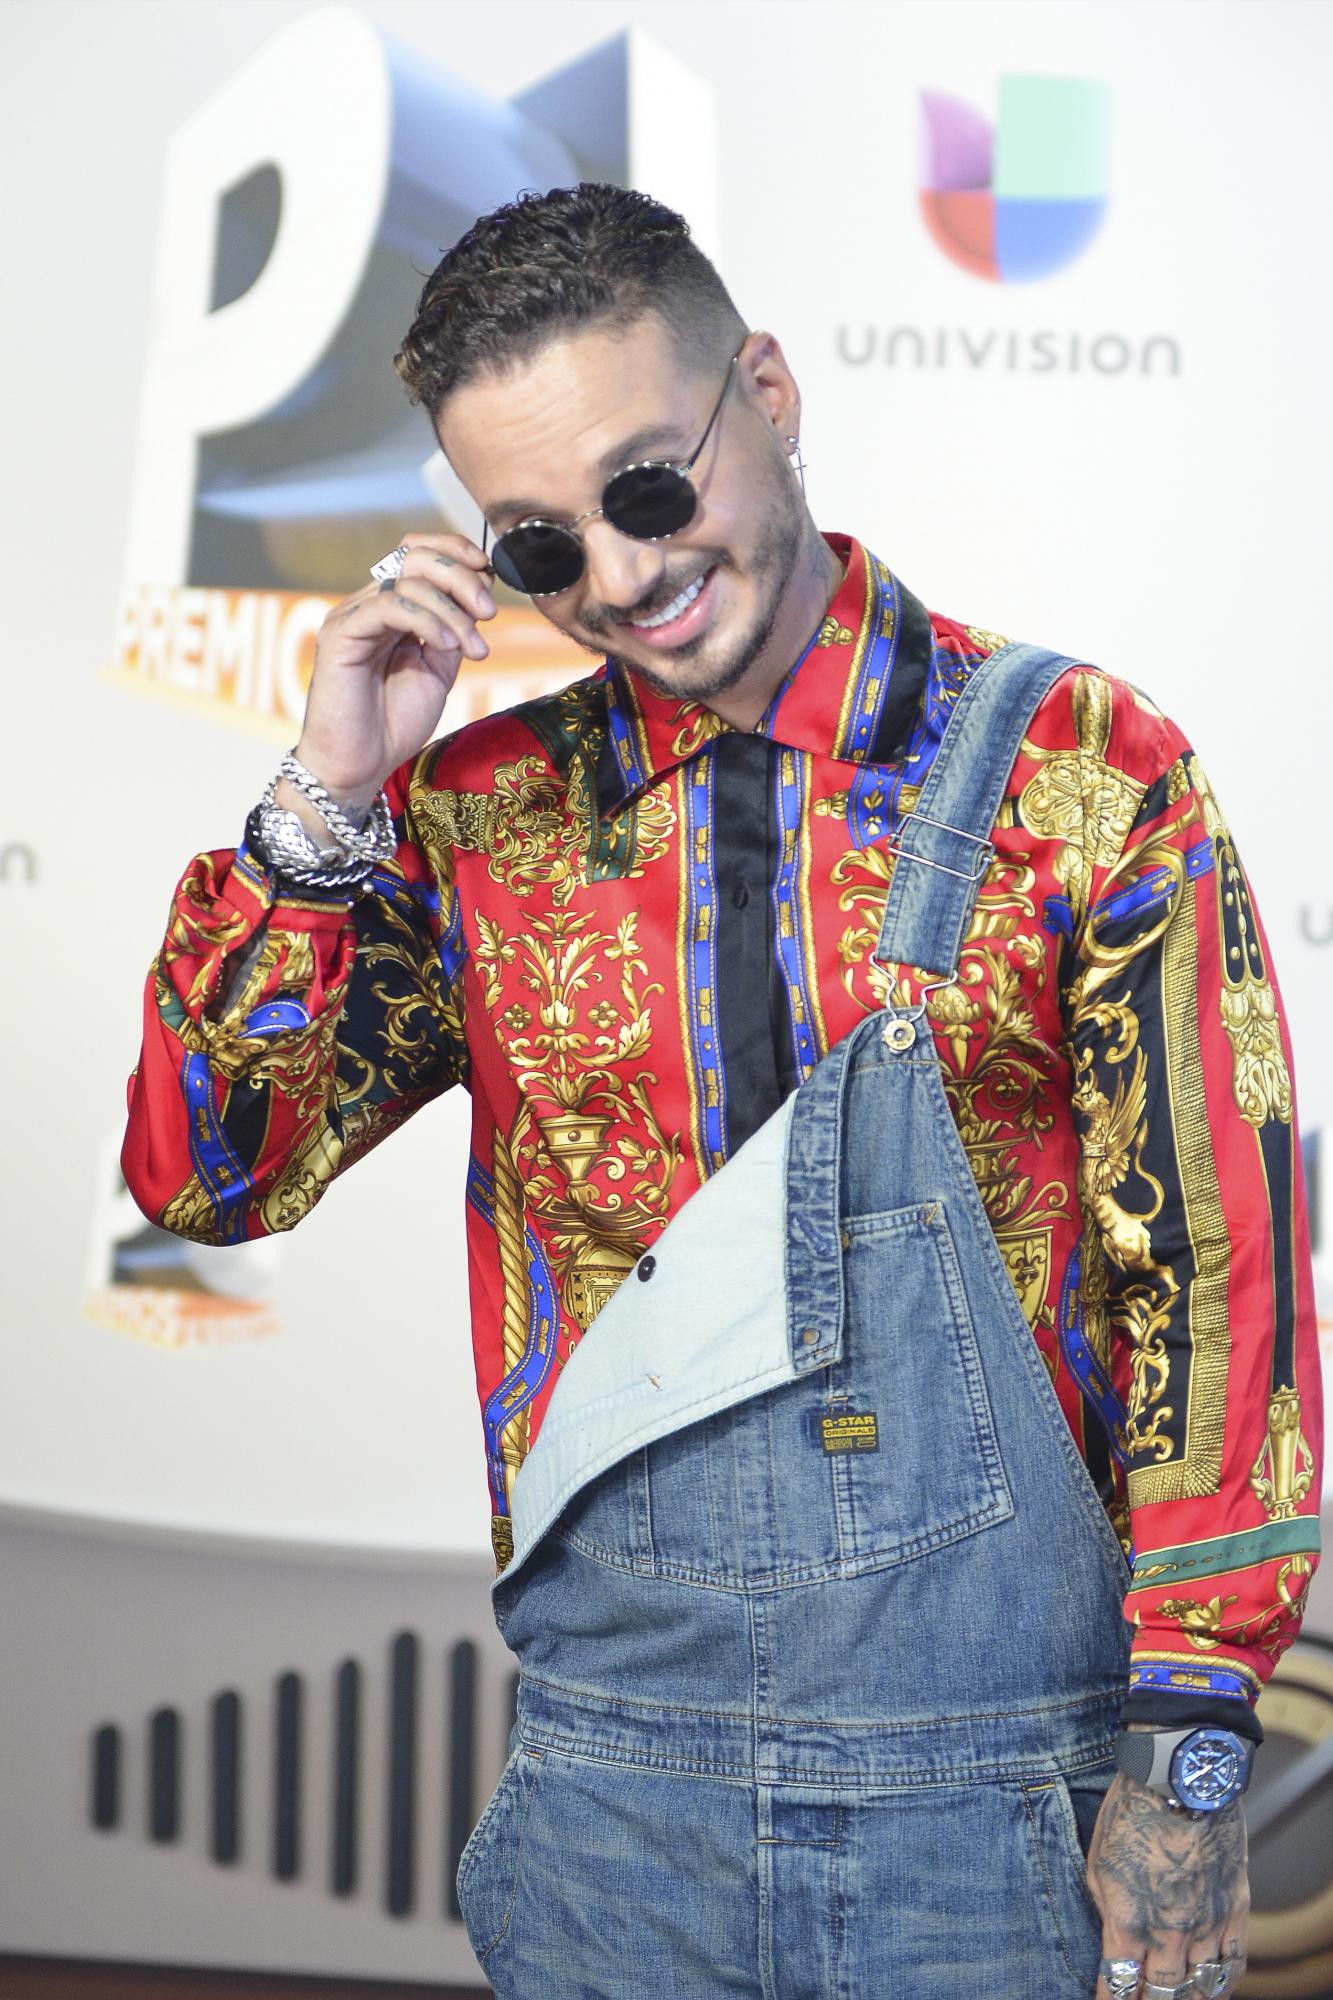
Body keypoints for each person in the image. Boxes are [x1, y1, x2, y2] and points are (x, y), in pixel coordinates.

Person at [122, 184, 1322, 2000]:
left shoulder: (1082, 769)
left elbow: (1219, 1275)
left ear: (763, 387)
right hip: (614, 1807)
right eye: (537, 546)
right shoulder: (477, 819)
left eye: (648, 492)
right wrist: (328, 797)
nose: (615, 578)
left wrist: (1190, 1740)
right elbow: (216, 1179)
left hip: (998, 1805)